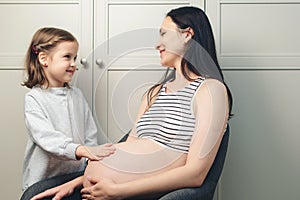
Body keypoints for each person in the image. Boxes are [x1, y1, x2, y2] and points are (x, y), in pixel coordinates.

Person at [32, 6, 233, 200]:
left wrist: (119, 191)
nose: (157, 44)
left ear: (187, 34)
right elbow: (130, 150)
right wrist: (77, 182)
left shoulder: (210, 90)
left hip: (129, 194)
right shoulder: (153, 93)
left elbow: (195, 174)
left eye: (164, 34)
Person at [22, 27, 115, 191]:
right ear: (44, 59)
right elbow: (47, 138)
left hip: (74, 177)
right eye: (67, 57)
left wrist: (90, 160)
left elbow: (90, 135)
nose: (74, 64)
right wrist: (81, 150)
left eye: (75, 58)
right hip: (43, 180)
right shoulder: (35, 98)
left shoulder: (77, 95)